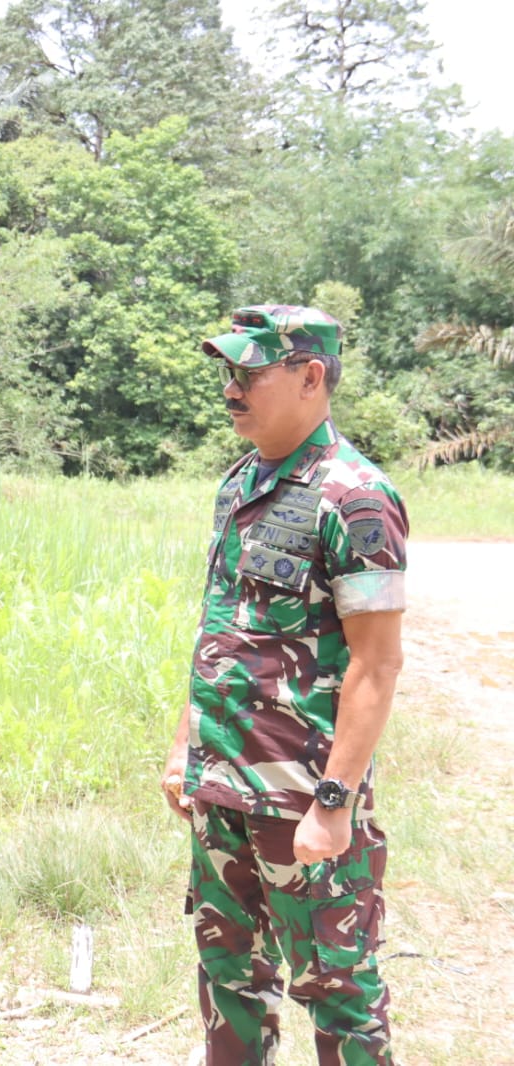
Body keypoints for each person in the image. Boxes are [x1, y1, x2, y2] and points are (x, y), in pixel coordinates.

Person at [161, 306, 407, 1065]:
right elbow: (220, 630)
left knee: (338, 991)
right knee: (229, 979)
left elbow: (376, 663)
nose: (231, 389)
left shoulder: (357, 498)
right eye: (227, 373)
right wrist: (184, 750)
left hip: (301, 794)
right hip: (222, 787)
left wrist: (333, 805)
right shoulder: (239, 484)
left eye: (249, 374)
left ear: (310, 377)